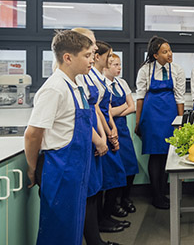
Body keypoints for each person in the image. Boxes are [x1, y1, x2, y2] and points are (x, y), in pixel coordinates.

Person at [24, 30, 94, 244]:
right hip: (60, 168)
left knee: (73, 227)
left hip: (77, 168)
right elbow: (32, 134)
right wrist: (33, 168)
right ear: (68, 58)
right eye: (87, 55)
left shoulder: (77, 85)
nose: (92, 60)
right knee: (57, 230)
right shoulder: (54, 88)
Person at [72, 28, 119, 245]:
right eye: (89, 45)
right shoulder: (73, 76)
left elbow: (97, 109)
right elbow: (81, 113)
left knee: (95, 187)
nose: (93, 49)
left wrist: (106, 132)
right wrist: (100, 138)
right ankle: (93, 238)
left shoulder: (88, 73)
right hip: (85, 136)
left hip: (96, 131)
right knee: (89, 191)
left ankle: (95, 237)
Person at [135, 36, 185, 209]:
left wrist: (180, 123)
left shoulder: (177, 70)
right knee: (155, 155)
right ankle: (156, 196)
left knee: (168, 154)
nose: (169, 54)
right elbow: (140, 97)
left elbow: (180, 97)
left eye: (170, 50)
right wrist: (138, 121)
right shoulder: (146, 70)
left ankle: (164, 193)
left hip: (170, 114)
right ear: (155, 55)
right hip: (151, 115)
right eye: (165, 52)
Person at [89, 41, 129, 232]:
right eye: (109, 55)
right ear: (98, 57)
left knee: (116, 175)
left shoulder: (101, 79)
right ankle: (101, 220)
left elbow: (109, 109)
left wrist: (112, 128)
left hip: (108, 128)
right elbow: (96, 109)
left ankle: (106, 215)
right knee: (104, 180)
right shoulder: (93, 78)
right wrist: (106, 134)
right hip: (101, 131)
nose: (111, 59)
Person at [104, 53, 139, 215]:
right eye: (115, 65)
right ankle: (114, 203)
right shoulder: (102, 85)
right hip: (110, 130)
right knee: (116, 169)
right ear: (105, 66)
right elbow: (106, 112)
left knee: (130, 165)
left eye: (119, 64)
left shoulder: (121, 83)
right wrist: (119, 109)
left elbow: (132, 107)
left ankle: (125, 198)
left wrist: (113, 111)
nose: (119, 68)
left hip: (122, 129)